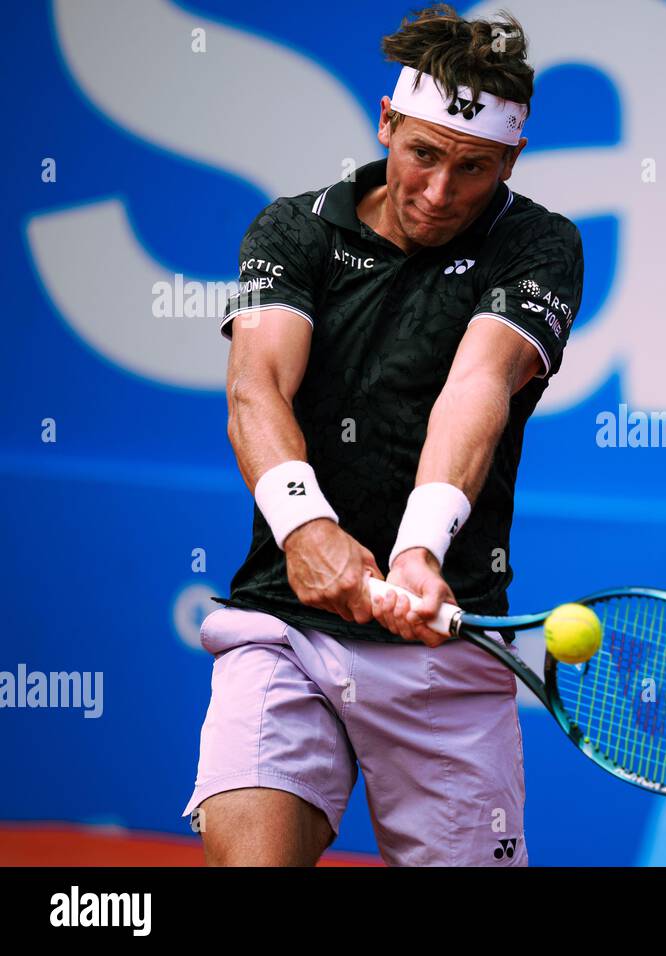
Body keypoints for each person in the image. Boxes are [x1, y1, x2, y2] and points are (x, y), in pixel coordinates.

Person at [182, 3, 583, 866]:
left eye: (472, 169)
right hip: (285, 629)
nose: (439, 193)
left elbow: (475, 389)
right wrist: (306, 528)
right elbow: (257, 389)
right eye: (424, 155)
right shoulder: (293, 230)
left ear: (511, 159)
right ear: (387, 122)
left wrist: (419, 551)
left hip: (446, 639)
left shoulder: (540, 246)